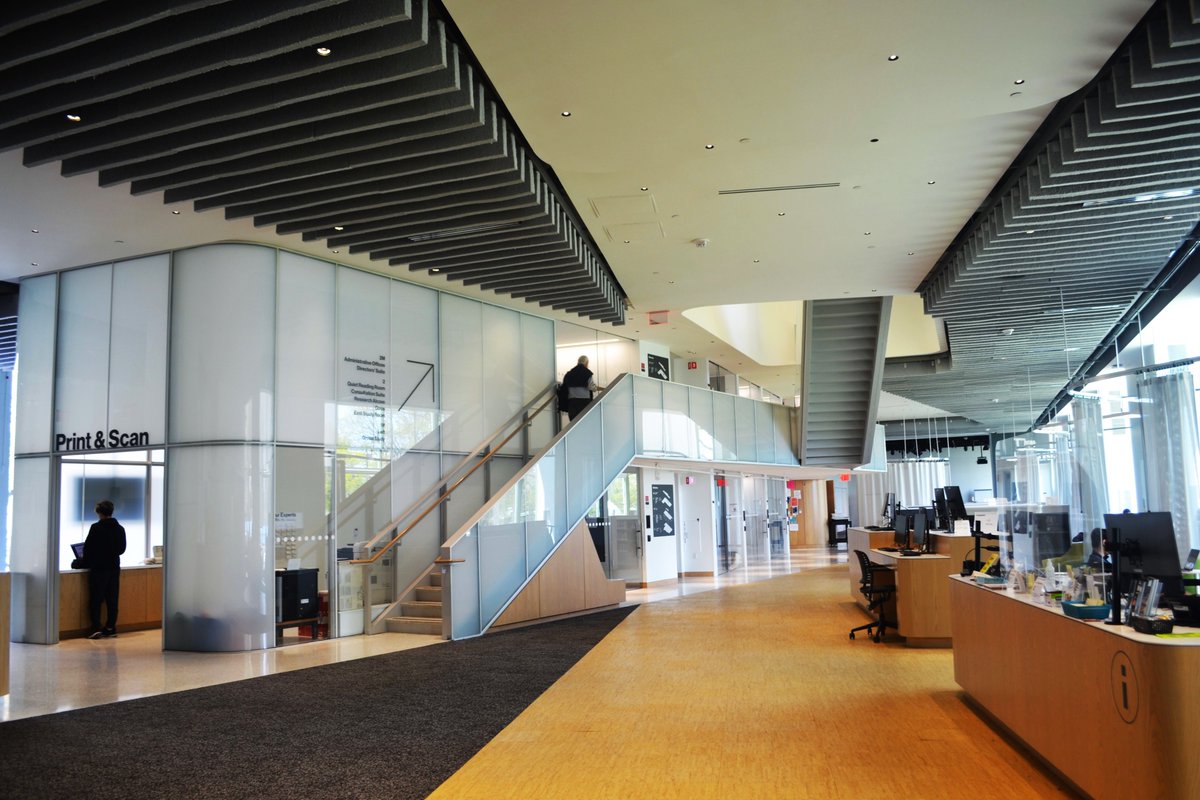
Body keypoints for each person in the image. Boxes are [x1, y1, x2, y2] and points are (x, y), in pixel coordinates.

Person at [84, 499, 126, 639]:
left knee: (96, 598)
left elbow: (88, 549)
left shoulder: (96, 528)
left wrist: (82, 562)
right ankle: (110, 627)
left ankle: (96, 627)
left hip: (99, 568)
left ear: (99, 512)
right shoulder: (120, 529)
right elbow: (122, 549)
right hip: (114, 567)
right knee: (112, 599)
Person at [561, 355, 600, 421]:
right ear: (586, 363)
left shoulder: (569, 373)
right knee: (585, 422)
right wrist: (596, 388)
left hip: (572, 402)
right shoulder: (587, 373)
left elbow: (564, 387)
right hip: (584, 402)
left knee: (573, 422)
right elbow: (591, 387)